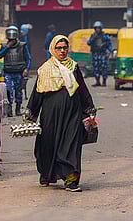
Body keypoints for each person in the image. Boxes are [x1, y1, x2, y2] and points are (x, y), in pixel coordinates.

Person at [25, 35, 96, 192]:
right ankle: (47, 173)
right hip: (50, 115)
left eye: (65, 48)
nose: (63, 51)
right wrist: (31, 111)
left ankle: (71, 179)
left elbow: (82, 89)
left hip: (73, 114)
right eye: (59, 48)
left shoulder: (74, 67)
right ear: (52, 49)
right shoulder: (44, 69)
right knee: (47, 144)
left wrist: (89, 108)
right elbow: (38, 93)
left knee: (72, 144)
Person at [0, 25, 31, 117]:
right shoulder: (4, 46)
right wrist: (7, 47)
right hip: (8, 72)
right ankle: (9, 109)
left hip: (19, 72)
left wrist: (26, 69)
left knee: (18, 91)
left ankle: (18, 109)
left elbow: (28, 58)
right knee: (9, 91)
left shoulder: (22, 45)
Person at [87, 21, 112, 87]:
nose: (97, 29)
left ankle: (104, 81)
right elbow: (88, 43)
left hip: (103, 53)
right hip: (95, 54)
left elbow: (109, 45)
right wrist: (93, 38)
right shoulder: (93, 35)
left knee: (104, 68)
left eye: (99, 28)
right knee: (96, 68)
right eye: (96, 28)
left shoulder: (105, 36)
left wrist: (108, 52)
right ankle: (97, 81)